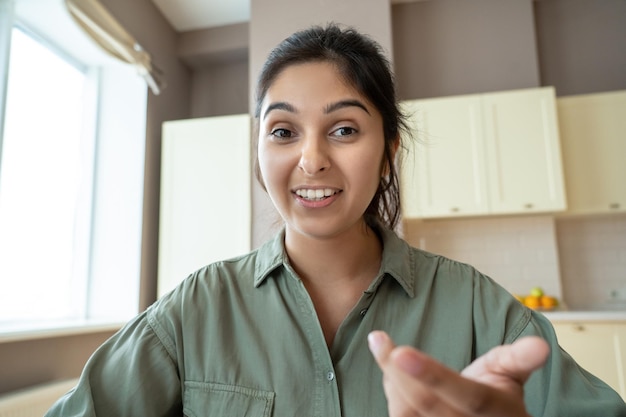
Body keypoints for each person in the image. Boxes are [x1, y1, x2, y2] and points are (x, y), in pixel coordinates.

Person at [46, 23, 625, 417]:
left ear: (389, 149)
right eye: (283, 131)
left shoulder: (479, 309)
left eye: (344, 129)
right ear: (259, 151)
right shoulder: (196, 308)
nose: (312, 158)